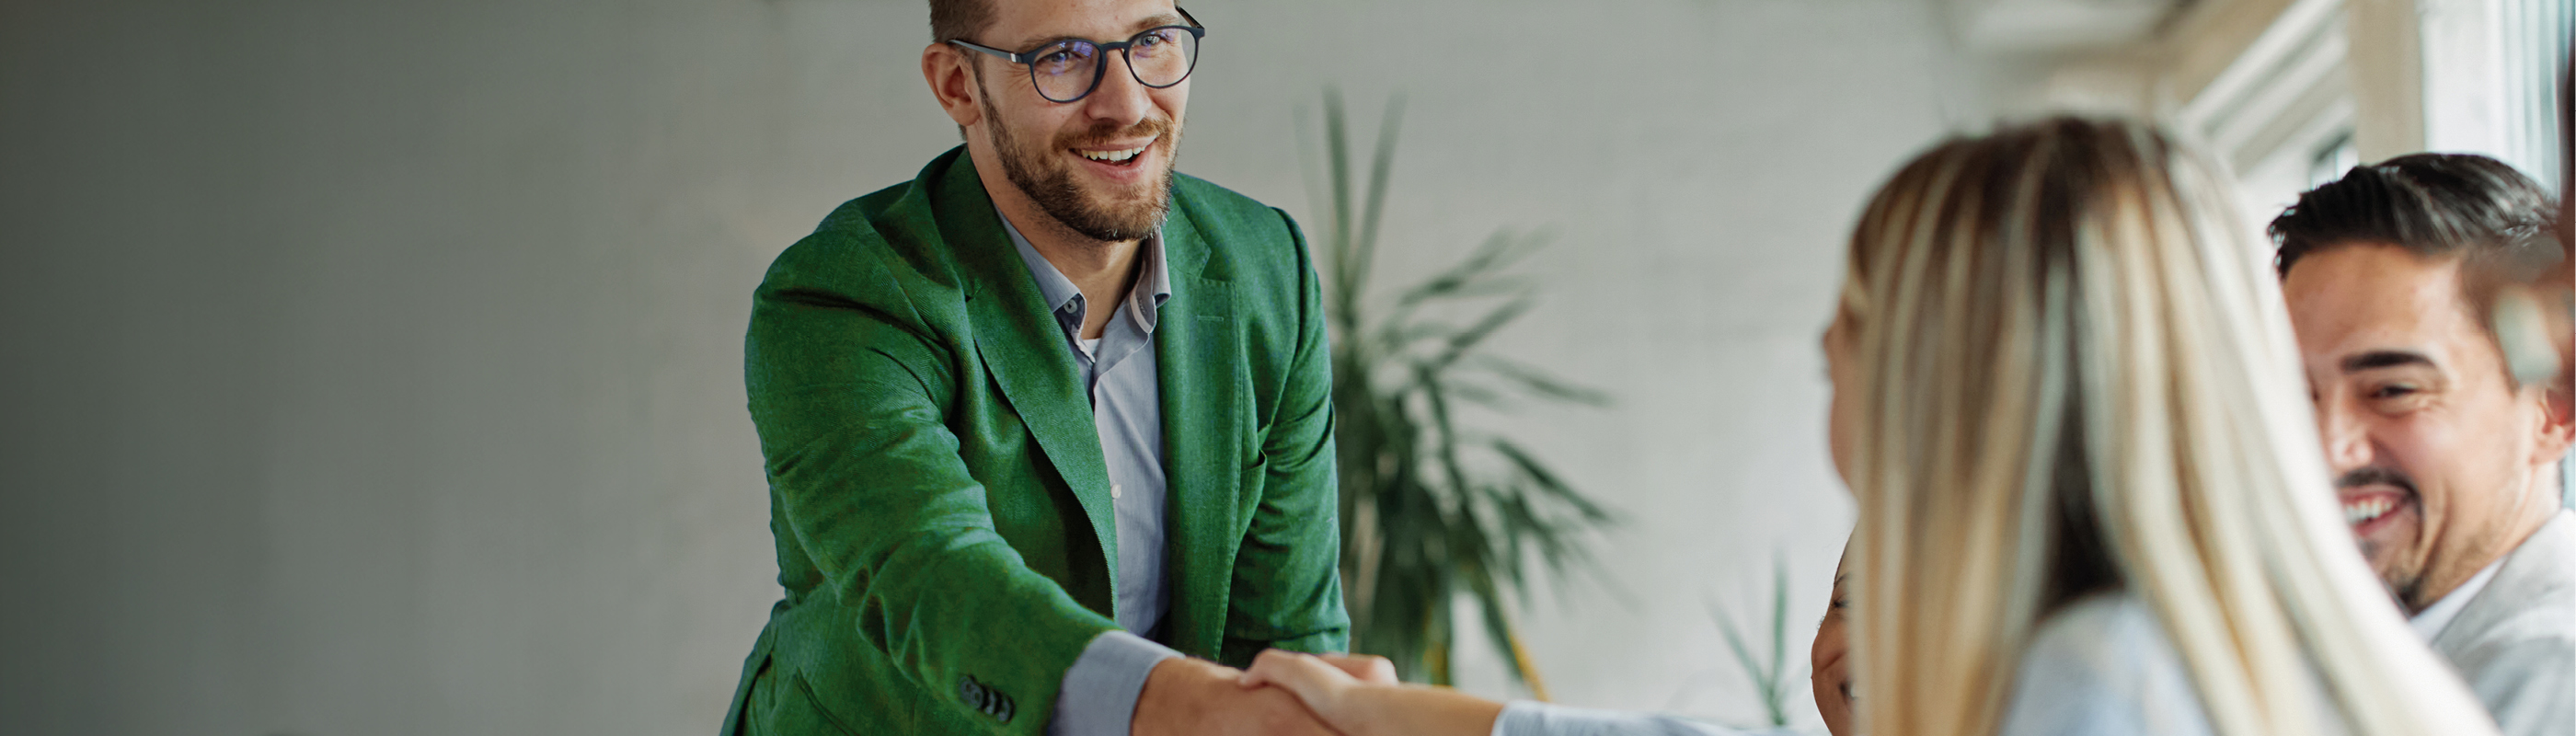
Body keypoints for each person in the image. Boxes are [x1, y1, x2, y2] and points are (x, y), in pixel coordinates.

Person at [1235, 118, 2500, 736]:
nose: (1825, 351)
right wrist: (1401, 720)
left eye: (1856, 316)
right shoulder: (2216, 637)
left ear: (1955, 365)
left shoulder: (2099, 682)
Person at [716, 1, 1351, 734]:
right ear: (958, 83)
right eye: (1060, 58)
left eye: (1153, 41)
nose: (1127, 103)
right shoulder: (845, 293)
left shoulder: (1268, 265)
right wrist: (1194, 707)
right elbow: (936, 578)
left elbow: (1282, 635)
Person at [2271, 153, 2576, 736]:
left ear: (2552, 411)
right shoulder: (2351, 658)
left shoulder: (2549, 684)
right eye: (2296, 393)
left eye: (2392, 390)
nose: (2328, 449)